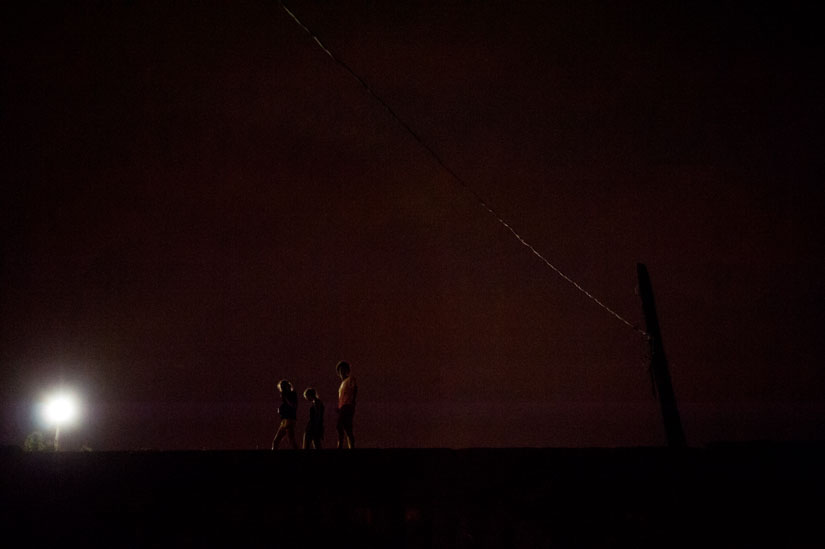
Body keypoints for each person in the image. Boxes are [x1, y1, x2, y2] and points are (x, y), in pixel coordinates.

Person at [335, 361, 357, 449]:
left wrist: (352, 403)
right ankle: (351, 446)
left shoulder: (350, 379)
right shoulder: (342, 384)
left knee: (339, 425)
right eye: (340, 370)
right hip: (343, 407)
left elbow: (355, 389)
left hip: (347, 406)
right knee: (347, 428)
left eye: (343, 369)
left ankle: (340, 445)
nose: (341, 372)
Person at [272, 379, 299, 450]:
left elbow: (293, 405)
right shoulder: (285, 395)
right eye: (281, 387)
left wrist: (286, 398)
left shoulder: (292, 394)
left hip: (290, 419)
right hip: (285, 419)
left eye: (283, 386)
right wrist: (281, 410)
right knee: (276, 441)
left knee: (291, 440)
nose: (282, 388)